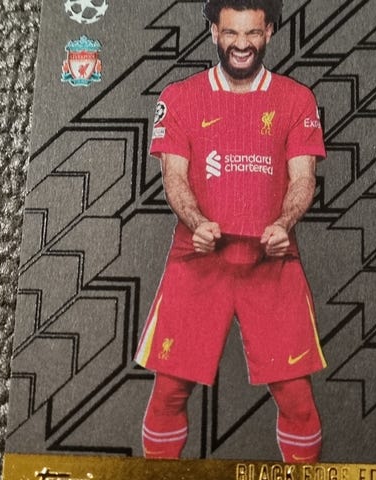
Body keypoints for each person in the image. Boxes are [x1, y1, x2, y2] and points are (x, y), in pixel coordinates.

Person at [134, 0, 327, 463]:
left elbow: (303, 179)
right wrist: (196, 222)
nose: (242, 44)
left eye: (253, 33)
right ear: (214, 33)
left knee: (298, 399)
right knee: (169, 391)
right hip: (198, 259)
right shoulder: (179, 97)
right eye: (231, 32)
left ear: (270, 32)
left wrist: (284, 223)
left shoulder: (297, 99)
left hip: (271, 261)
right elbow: (173, 177)